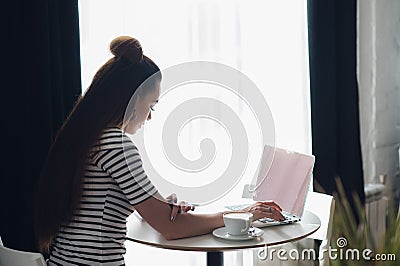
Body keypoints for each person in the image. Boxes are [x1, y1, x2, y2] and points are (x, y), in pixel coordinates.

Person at [34, 36, 285, 265]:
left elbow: (107, 204)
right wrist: (241, 213)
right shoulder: (115, 145)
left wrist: (159, 204)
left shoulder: (84, 139)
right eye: (152, 105)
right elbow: (170, 228)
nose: (150, 117)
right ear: (132, 98)